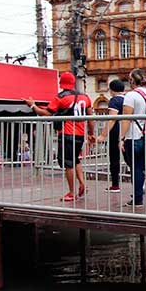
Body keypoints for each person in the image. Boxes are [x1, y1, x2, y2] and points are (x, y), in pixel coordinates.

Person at [25, 72, 95, 202]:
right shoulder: (85, 97)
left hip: (67, 133)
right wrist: (91, 133)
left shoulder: (61, 97)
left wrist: (33, 106)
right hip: (80, 134)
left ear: (61, 83)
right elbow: (91, 119)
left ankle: (71, 192)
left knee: (68, 163)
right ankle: (82, 183)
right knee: (75, 159)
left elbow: (46, 113)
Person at [119, 69, 146, 207]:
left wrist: (121, 138)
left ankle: (138, 199)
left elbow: (126, 119)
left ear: (132, 80)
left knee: (136, 168)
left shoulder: (131, 95)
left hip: (134, 137)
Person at [96, 80, 125, 193]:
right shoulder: (128, 98)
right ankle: (139, 184)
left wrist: (103, 135)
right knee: (130, 159)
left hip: (116, 131)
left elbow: (112, 118)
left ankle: (115, 185)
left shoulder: (114, 100)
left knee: (114, 158)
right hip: (128, 131)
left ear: (112, 90)